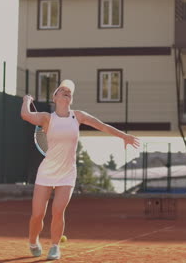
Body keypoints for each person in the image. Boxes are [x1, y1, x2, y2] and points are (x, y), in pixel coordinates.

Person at [20, 79, 140, 260]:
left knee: (58, 211)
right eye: (63, 90)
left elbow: (102, 126)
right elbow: (26, 115)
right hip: (46, 172)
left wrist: (123, 136)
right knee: (38, 215)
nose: (67, 92)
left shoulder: (78, 116)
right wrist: (26, 100)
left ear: (71, 98)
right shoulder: (46, 118)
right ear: (55, 97)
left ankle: (54, 246)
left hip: (67, 174)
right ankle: (33, 240)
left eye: (70, 91)